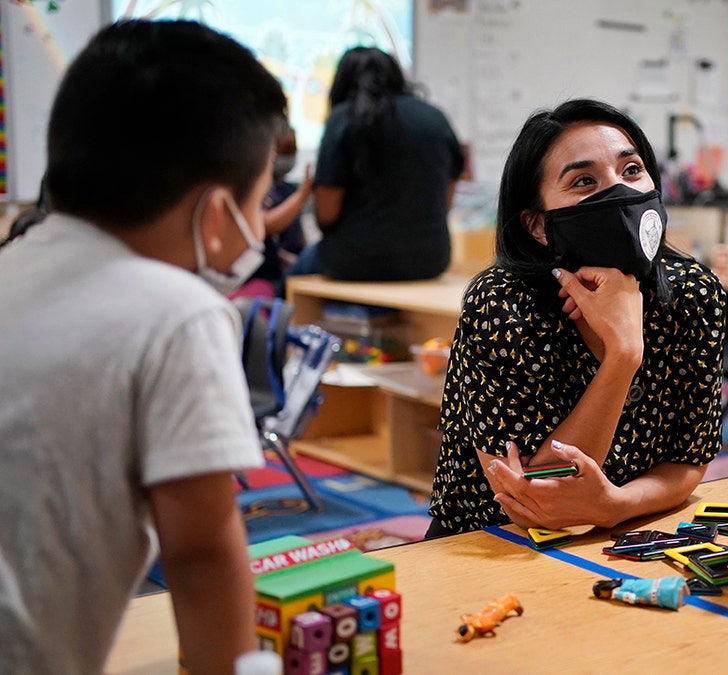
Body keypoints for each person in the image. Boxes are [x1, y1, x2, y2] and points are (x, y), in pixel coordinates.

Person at [0, 20, 286, 673]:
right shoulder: (181, 313)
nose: (258, 226)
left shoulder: (11, 263)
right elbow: (201, 549)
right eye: (260, 198)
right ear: (217, 215)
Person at [425, 99, 726, 536]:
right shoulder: (500, 306)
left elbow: (688, 461)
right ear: (538, 225)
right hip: (492, 543)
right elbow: (532, 499)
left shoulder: (693, 293)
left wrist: (613, 506)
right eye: (585, 181)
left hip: (623, 533)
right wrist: (623, 354)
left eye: (631, 170)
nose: (620, 192)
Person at [288, 46, 464, 281]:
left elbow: (326, 213)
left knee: (289, 277)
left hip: (354, 260)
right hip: (432, 260)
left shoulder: (342, 118)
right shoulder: (434, 117)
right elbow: (446, 199)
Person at [236, 126, 313, 299]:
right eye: (283, 151)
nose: (287, 157)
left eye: (291, 151)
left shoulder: (288, 190)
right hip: (260, 278)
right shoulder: (254, 187)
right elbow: (266, 224)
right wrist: (303, 194)